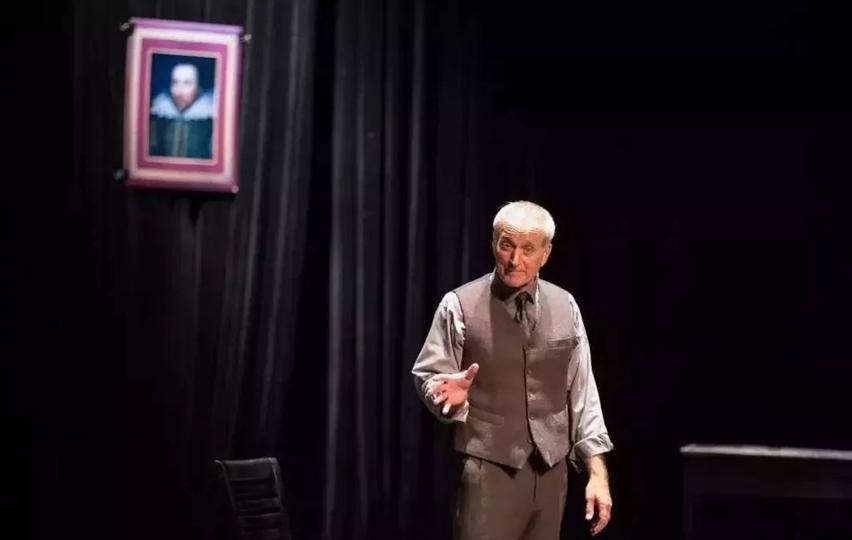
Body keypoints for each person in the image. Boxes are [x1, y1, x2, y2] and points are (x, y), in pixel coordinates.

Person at [412, 201, 614, 540]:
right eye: (507, 245)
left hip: (551, 475)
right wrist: (447, 399)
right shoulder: (459, 305)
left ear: (546, 254)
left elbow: (583, 395)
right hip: (488, 473)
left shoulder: (566, 306)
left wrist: (597, 473)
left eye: (527, 249)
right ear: (494, 243)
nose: (514, 259)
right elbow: (430, 376)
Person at [149, 62, 215, 159]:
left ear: (199, 88)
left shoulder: (212, 118)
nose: (179, 91)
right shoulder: (158, 114)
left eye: (187, 83)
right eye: (175, 82)